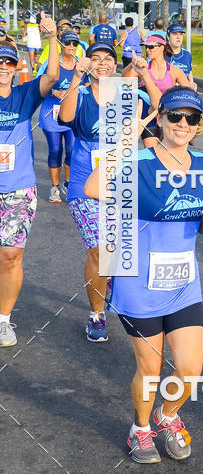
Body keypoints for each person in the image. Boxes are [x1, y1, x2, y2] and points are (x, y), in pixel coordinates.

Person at [84, 86, 203, 463]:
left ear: (199, 125)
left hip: (183, 283)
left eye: (191, 118)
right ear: (161, 118)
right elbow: (92, 187)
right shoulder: (138, 162)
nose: (183, 124)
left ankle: (167, 415)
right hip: (138, 283)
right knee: (149, 368)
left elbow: (202, 219)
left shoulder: (202, 165)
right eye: (175, 116)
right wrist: (127, 140)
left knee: (190, 369)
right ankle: (141, 429)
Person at [59, 43, 153, 343]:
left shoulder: (127, 93)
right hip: (84, 184)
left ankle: (107, 282)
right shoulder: (83, 92)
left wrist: (144, 75)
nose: (102, 64)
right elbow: (64, 117)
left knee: (112, 250)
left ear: (115, 65)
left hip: (120, 183)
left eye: (108, 59)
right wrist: (76, 77)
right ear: (89, 64)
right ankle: (96, 314)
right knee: (99, 249)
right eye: (96, 59)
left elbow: (162, 107)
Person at [0, 17, 59, 347]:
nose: (5, 67)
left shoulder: (24, 95)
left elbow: (51, 76)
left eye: (10, 61)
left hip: (18, 190)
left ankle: (3, 320)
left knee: (10, 256)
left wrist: (51, 37)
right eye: (0, 61)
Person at [123, 31, 191, 149]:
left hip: (168, 118)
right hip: (149, 117)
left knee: (169, 154)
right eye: (146, 47)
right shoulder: (142, 68)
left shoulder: (174, 71)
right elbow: (124, 80)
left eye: (151, 47)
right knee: (152, 153)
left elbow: (189, 95)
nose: (147, 50)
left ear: (162, 47)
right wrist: (131, 65)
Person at [38, 30, 80, 202]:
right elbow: (39, 83)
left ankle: (68, 184)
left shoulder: (79, 64)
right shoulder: (51, 64)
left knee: (71, 149)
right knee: (55, 150)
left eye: (75, 44)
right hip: (51, 115)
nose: (71, 46)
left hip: (71, 116)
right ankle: (54, 188)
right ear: (61, 44)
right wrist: (53, 91)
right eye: (68, 43)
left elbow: (87, 84)